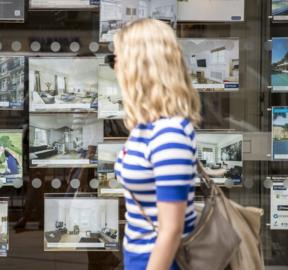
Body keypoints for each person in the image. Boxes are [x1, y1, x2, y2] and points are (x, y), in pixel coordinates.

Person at [113, 19, 202, 270]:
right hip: (138, 257)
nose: (116, 67)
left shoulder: (169, 134)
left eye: (118, 59)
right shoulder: (145, 126)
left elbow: (171, 230)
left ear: (139, 66)